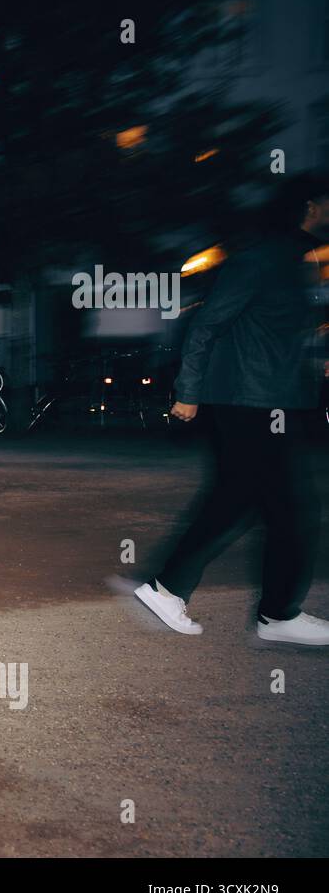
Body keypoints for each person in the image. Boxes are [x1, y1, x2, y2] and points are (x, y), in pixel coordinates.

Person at [132, 172, 329, 644]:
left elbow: (284, 336)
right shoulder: (262, 259)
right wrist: (188, 391)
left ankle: (175, 590)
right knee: (287, 508)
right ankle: (275, 615)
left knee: (244, 500)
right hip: (251, 402)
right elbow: (206, 326)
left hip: (273, 400)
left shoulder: (297, 262)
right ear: (307, 207)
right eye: (325, 204)